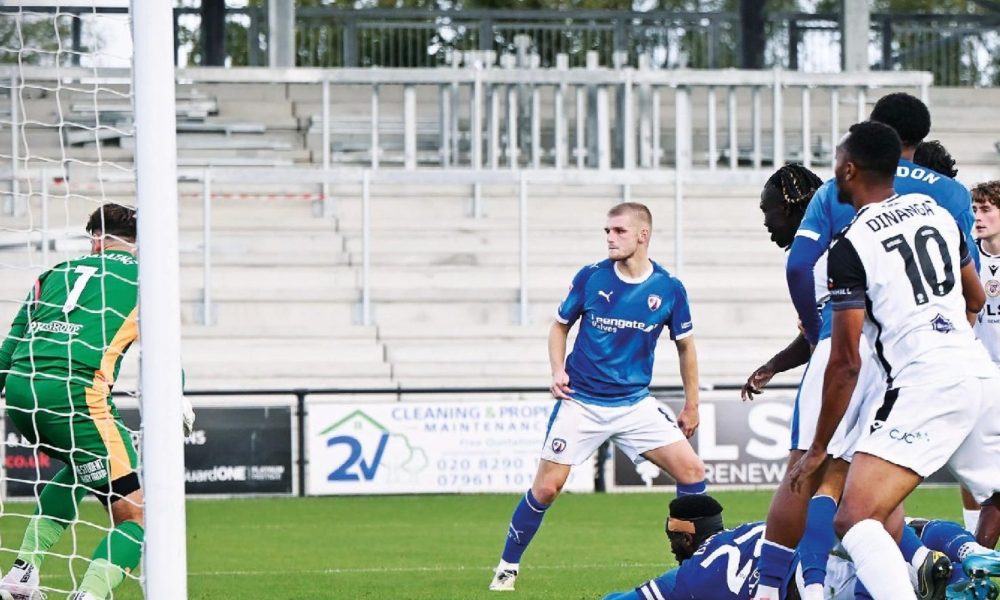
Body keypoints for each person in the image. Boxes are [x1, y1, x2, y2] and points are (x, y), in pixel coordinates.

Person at [755, 92, 978, 600]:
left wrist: (818, 339)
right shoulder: (949, 195)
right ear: (918, 139)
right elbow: (971, 288)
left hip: (853, 345)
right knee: (870, 484)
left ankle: (774, 590)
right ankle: (915, 566)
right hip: (923, 364)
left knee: (807, 468)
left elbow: (798, 265)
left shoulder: (846, 185)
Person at [489, 202, 706, 591]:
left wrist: (692, 404)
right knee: (545, 489)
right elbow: (559, 327)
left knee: (693, 472)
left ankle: (697, 566)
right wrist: (557, 370)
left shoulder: (669, 289)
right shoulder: (591, 278)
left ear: (643, 235)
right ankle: (507, 567)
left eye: (619, 231)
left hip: (635, 404)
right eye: (607, 231)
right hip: (582, 402)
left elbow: (686, 347)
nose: (609, 238)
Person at [0, 204, 194, 600]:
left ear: (95, 238)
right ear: (140, 243)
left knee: (80, 465)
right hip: (78, 396)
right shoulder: (146, 280)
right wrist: (176, 397)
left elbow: (7, 352)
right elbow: (162, 354)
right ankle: (88, 596)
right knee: (138, 516)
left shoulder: (51, 275)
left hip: (23, 395)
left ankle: (21, 574)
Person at [602, 495, 981, 600]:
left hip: (816, 583)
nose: (673, 549)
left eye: (674, 540)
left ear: (686, 538)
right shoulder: (755, 528)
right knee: (908, 529)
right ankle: (967, 555)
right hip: (830, 548)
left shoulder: (685, 577)